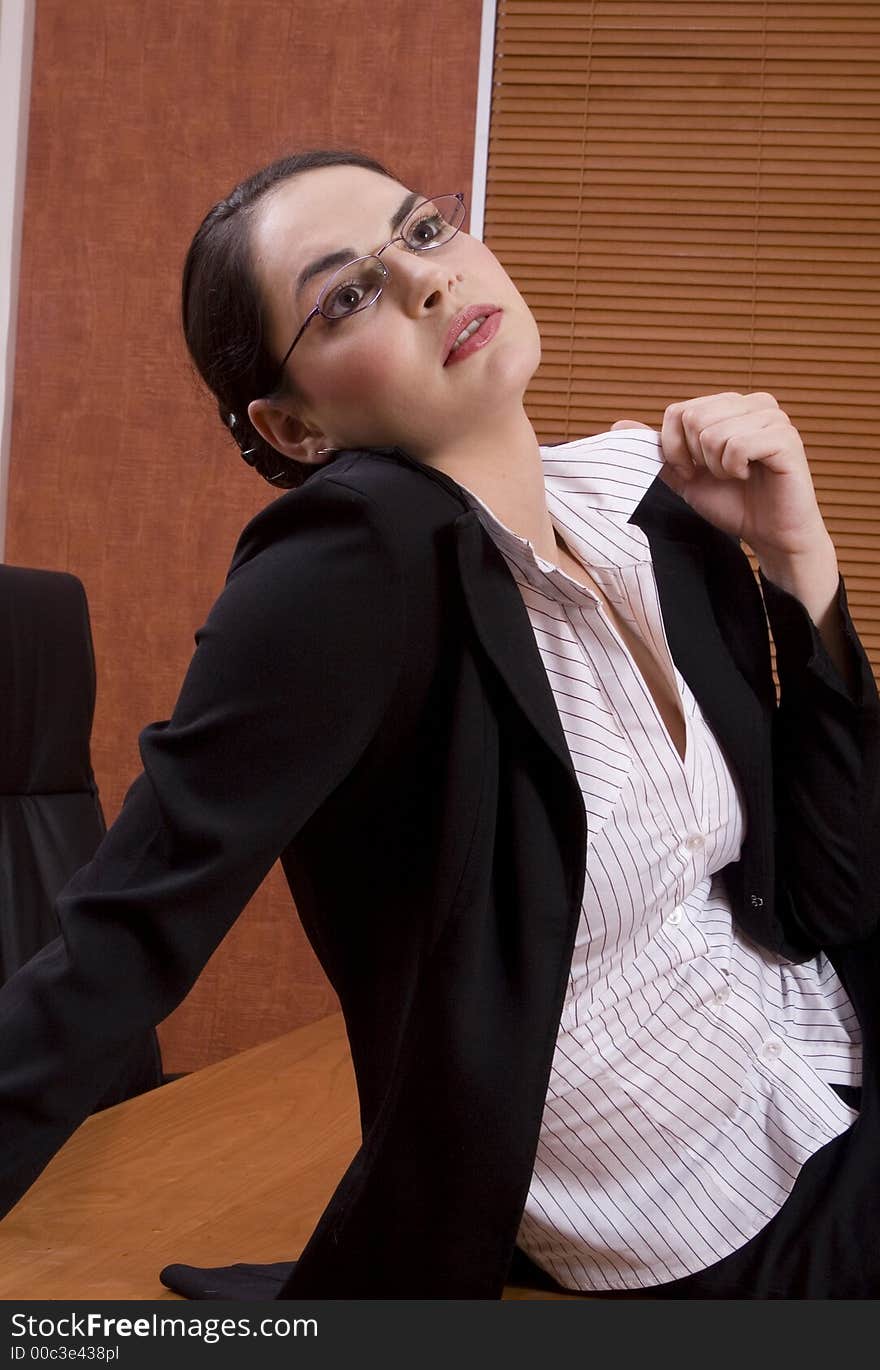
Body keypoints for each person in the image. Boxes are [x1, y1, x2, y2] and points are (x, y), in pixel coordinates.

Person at [1, 148, 878, 1300]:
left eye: (420, 232)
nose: (423, 279)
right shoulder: (349, 561)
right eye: (346, 294)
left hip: (829, 1076)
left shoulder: (638, 500)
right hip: (708, 1217)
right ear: (296, 426)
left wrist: (798, 565)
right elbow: (122, 935)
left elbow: (830, 895)